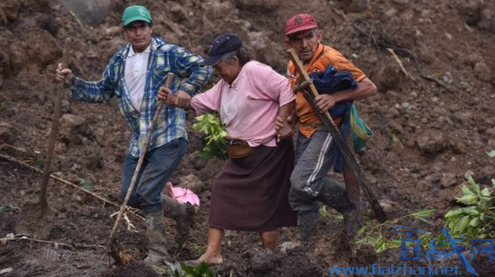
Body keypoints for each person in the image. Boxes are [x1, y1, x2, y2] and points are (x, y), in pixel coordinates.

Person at [55, 5, 212, 265]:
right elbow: (102, 92)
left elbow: (202, 67)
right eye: (132, 28)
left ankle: (158, 255)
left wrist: (185, 90)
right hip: (140, 139)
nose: (138, 33)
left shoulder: (168, 53)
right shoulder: (118, 61)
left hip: (168, 134)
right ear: (126, 32)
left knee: (148, 192)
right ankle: (181, 213)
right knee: (129, 192)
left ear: (150, 28)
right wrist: (73, 81)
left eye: (142, 27)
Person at [158, 33, 297, 264]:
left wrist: (283, 121)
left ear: (234, 60)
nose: (216, 71)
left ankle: (269, 258)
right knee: (222, 190)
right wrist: (173, 99)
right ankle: (213, 254)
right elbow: (198, 102)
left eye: (218, 65)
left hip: (267, 152)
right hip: (241, 156)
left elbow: (285, 88)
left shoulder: (254, 71)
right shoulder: (226, 85)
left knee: (264, 208)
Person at [279, 13, 377, 245]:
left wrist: (334, 97)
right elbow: (296, 96)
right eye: (297, 39)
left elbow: (369, 87)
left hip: (327, 128)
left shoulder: (331, 57)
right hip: (304, 129)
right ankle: (309, 245)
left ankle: (349, 204)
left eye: (309, 37)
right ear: (288, 43)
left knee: (302, 182)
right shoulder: (293, 62)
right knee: (299, 195)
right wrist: (290, 120)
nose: (304, 44)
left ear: (318, 35)